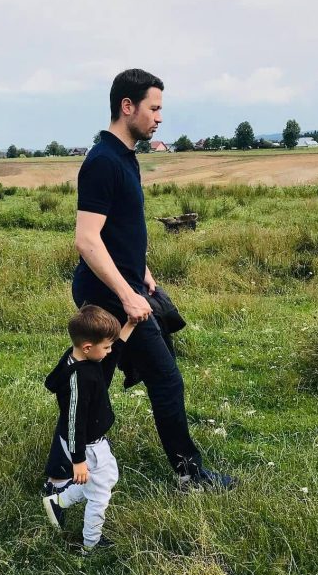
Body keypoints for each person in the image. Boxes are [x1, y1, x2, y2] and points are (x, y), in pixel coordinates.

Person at [71, 68, 234, 490]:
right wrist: (127, 295)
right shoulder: (102, 162)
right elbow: (87, 240)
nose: (160, 118)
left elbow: (120, 226)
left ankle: (65, 469)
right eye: (154, 108)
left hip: (123, 285)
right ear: (128, 106)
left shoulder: (125, 156)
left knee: (92, 384)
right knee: (165, 379)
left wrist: (139, 267)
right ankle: (190, 475)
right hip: (109, 296)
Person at [42, 305, 136, 554]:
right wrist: (78, 461)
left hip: (93, 442)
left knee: (106, 478)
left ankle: (59, 501)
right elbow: (74, 422)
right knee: (100, 493)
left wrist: (130, 324)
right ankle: (91, 545)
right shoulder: (78, 380)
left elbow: (113, 354)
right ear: (87, 347)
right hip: (86, 446)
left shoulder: (80, 356)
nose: (109, 351)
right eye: (106, 347)